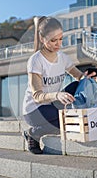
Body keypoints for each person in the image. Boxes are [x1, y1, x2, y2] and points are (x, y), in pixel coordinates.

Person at [22, 16, 84, 154]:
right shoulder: (35, 61)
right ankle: (33, 133)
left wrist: (92, 78)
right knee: (66, 122)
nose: (58, 44)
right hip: (34, 110)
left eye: (61, 39)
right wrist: (57, 95)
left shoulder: (63, 58)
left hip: (52, 104)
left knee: (76, 85)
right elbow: (37, 96)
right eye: (53, 40)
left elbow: (79, 76)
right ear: (42, 39)